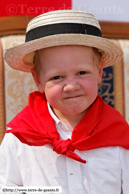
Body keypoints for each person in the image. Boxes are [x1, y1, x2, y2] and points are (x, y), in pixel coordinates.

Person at [0, 10, 129, 194]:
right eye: (57, 76)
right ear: (37, 79)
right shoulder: (19, 138)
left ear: (100, 70)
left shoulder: (120, 136)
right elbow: (5, 187)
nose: (70, 86)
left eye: (82, 73)